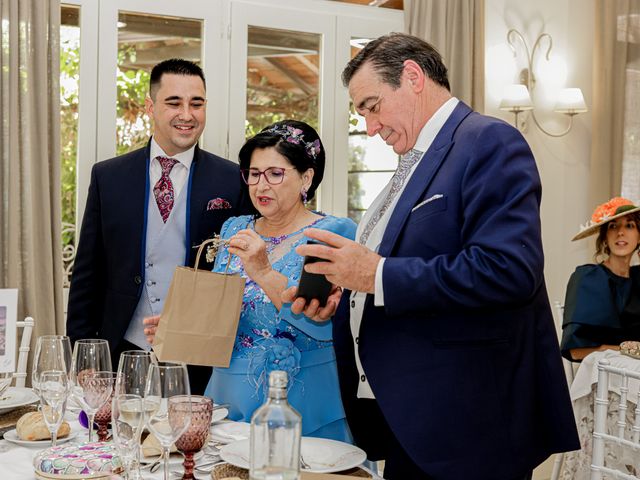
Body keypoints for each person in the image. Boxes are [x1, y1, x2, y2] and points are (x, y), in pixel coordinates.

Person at [287, 33, 579, 479]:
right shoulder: (411, 166)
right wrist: (346, 296)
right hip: (415, 419)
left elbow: (509, 270)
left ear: (412, 77)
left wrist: (375, 274)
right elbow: (407, 268)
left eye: (372, 106)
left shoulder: (488, 141)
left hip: (470, 424)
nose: (369, 126)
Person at [146, 120, 356, 442]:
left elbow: (323, 323)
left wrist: (263, 271)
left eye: (275, 173)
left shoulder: (331, 235)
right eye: (254, 174)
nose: (260, 186)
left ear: (307, 177)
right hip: (230, 397)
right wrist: (178, 326)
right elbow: (220, 314)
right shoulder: (234, 228)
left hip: (304, 400)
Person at [66, 59, 253, 394]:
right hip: (123, 350)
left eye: (197, 103)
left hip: (201, 358)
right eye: (174, 103)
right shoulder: (108, 176)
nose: (187, 114)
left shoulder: (232, 179)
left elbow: (242, 275)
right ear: (150, 107)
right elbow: (87, 273)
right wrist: (84, 357)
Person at [561, 196, 640, 361]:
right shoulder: (588, 279)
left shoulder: (638, 279)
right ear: (604, 237)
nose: (620, 232)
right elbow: (575, 351)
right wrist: (624, 349)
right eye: (613, 226)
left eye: (629, 225)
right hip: (604, 378)